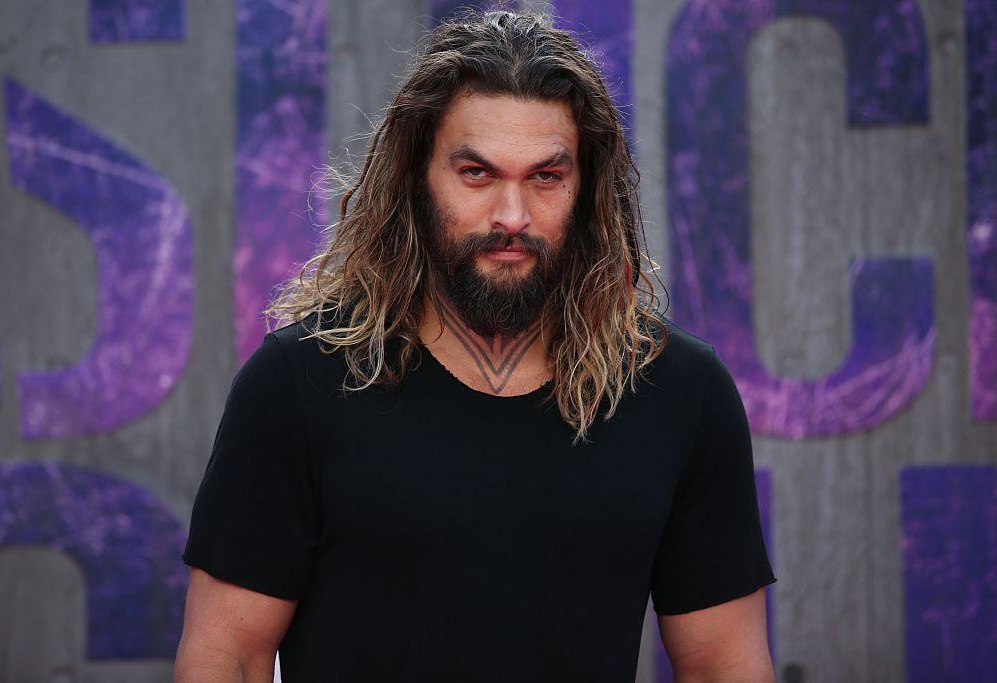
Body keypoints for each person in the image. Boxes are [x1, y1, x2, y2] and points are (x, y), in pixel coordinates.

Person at [174, 9, 776, 683]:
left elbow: (726, 666)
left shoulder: (677, 393)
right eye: (477, 173)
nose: (512, 217)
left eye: (546, 177)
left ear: (586, 188)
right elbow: (227, 659)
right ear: (417, 178)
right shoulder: (298, 384)